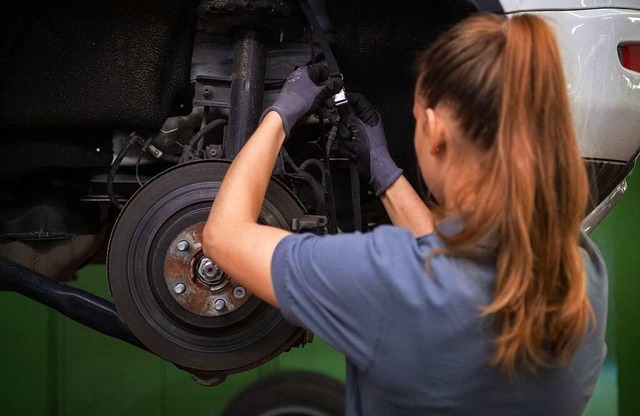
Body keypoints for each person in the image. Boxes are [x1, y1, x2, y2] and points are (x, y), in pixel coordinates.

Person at [203, 12, 608, 416]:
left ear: (435, 131)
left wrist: (279, 116)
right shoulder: (581, 273)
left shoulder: (386, 278)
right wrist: (384, 171)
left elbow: (223, 235)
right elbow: (445, 271)